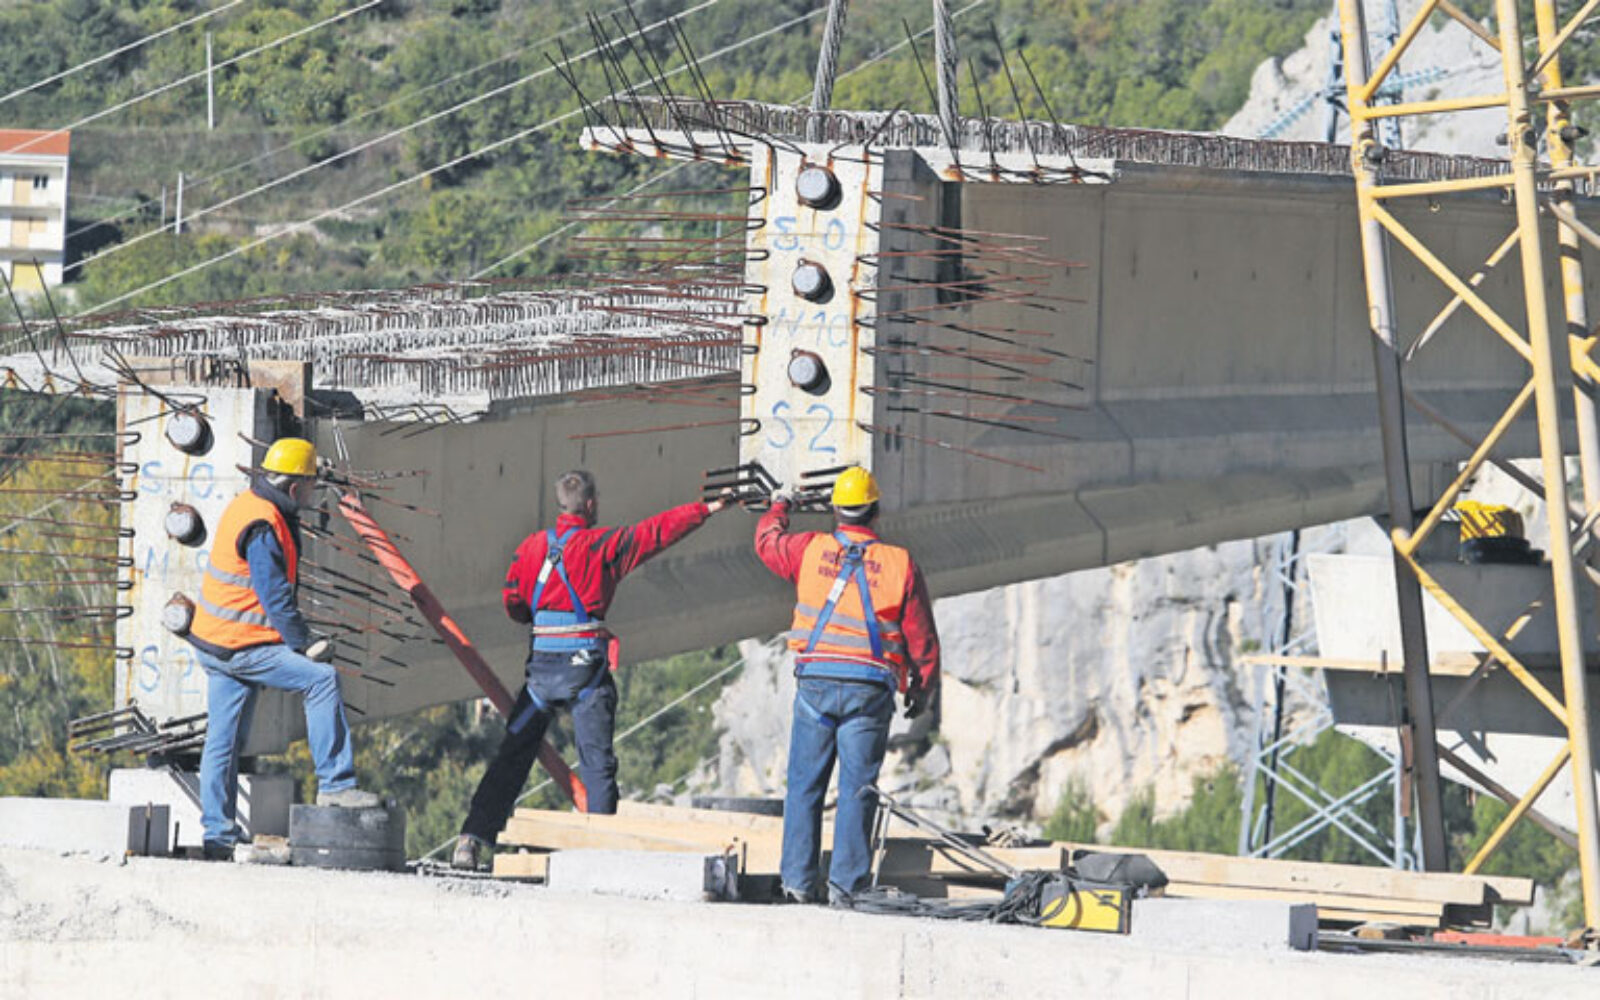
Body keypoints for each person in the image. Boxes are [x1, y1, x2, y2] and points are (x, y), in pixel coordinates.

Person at [452, 470, 736, 869]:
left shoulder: (532, 546)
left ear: (560, 504)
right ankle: (601, 856)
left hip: (541, 673)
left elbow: (513, 602)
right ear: (589, 505)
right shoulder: (604, 545)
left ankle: (471, 839)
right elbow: (656, 533)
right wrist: (708, 508)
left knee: (512, 755)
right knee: (597, 764)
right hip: (584, 670)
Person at [754, 466, 940, 904]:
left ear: (836, 511)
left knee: (804, 787)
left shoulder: (810, 549)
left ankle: (797, 885)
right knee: (858, 790)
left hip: (816, 686)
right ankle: (846, 890)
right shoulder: (899, 563)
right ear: (875, 511)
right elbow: (922, 639)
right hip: (868, 690)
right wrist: (921, 689)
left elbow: (767, 543)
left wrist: (781, 505)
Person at [187, 436, 379, 861]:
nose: (312, 495)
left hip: (214, 641)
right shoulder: (263, 525)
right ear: (294, 488)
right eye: (310, 487)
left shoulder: (251, 503)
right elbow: (274, 596)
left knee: (222, 740)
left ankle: (218, 835)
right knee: (321, 680)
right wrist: (304, 644)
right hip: (241, 644)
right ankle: (336, 786)